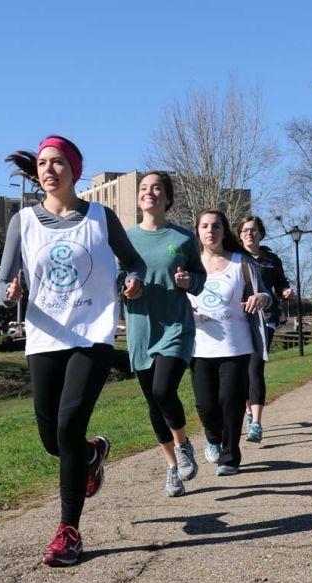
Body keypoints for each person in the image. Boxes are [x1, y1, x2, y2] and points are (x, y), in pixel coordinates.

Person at [0, 135, 145, 566]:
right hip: (43, 337)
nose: (49, 169)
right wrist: (8, 292)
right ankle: (92, 454)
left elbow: (133, 262)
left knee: (67, 426)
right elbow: (1, 282)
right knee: (51, 438)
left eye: (58, 162)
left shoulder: (101, 217)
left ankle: (68, 531)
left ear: (74, 170)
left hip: (91, 334)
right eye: (43, 163)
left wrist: (132, 281)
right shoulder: (22, 222)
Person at [119, 172, 207, 497]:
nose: (149, 192)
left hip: (175, 327)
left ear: (167, 197)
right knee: (153, 404)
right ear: (139, 197)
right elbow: (116, 277)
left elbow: (200, 277)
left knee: (162, 389)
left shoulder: (183, 238)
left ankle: (183, 445)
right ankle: (172, 467)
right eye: (144, 188)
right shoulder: (126, 239)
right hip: (141, 328)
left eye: (156, 188)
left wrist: (189, 282)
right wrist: (126, 286)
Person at [189, 210, 271, 475]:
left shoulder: (242, 262)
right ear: (198, 231)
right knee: (205, 405)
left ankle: (229, 458)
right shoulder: (190, 265)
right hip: (200, 347)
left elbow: (265, 295)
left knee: (231, 402)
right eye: (205, 226)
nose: (210, 231)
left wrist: (261, 298)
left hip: (236, 345)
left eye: (216, 226)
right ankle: (213, 437)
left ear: (224, 231)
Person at [237, 215, 292, 443]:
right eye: (245, 230)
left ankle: (257, 424)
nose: (249, 233)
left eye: (253, 230)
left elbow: (280, 283)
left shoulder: (271, 259)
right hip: (238, 319)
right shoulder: (234, 258)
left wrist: (285, 291)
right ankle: (249, 412)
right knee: (240, 373)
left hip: (265, 318)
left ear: (260, 233)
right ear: (239, 235)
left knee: (255, 368)